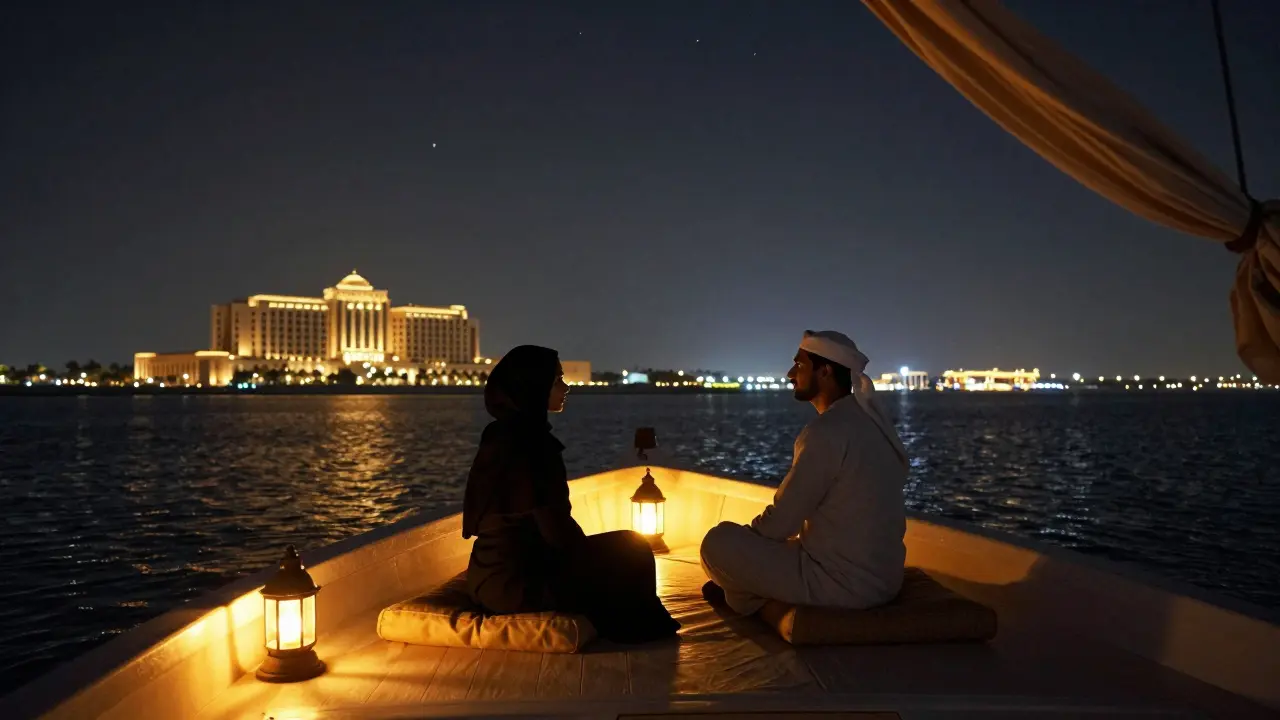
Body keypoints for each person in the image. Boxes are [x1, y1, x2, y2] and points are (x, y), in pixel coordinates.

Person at [463, 345, 680, 643]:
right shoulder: (533, 447)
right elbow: (558, 535)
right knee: (634, 549)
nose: (566, 388)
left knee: (623, 548)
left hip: (484, 576)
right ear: (532, 387)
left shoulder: (499, 436)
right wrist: (600, 561)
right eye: (556, 381)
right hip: (515, 584)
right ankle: (643, 631)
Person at [699, 330, 910, 615]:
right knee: (773, 546)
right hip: (885, 579)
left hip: (842, 583)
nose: (789, 373)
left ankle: (744, 593)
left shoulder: (826, 432)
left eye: (799, 365)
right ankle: (742, 588)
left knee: (717, 542)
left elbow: (780, 524)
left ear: (824, 371)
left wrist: (745, 542)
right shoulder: (870, 424)